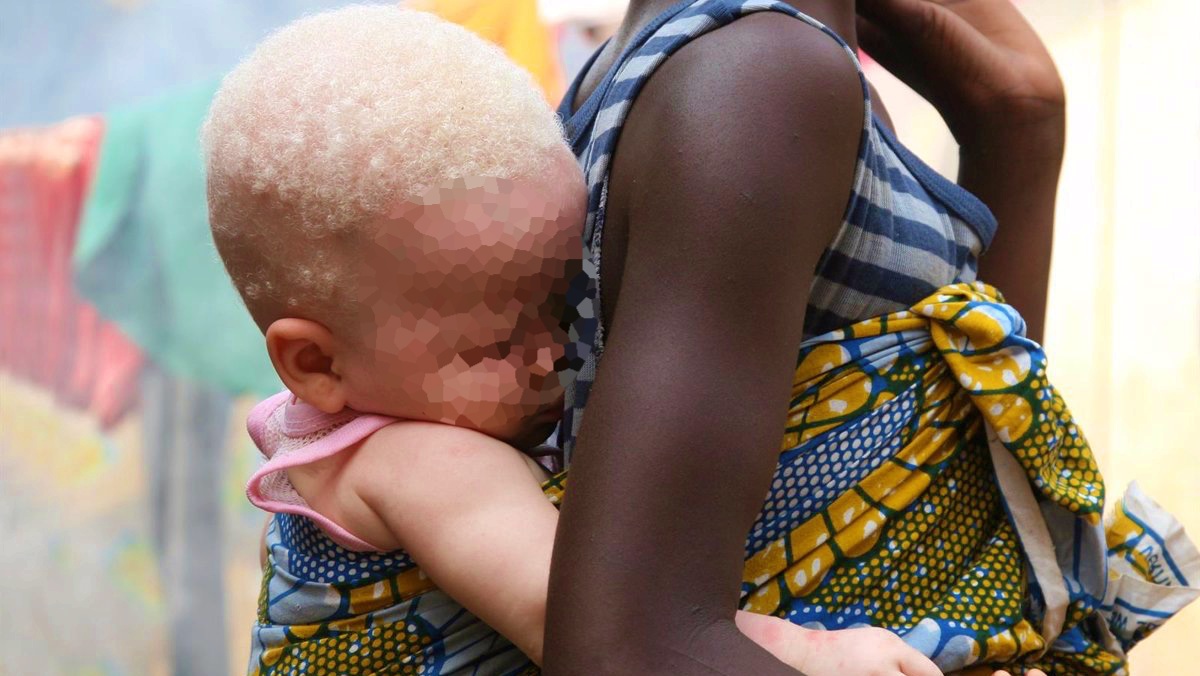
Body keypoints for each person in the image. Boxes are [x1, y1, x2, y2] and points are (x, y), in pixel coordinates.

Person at [204, 6, 947, 674]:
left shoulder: (372, 414)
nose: (551, 358)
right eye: (492, 349)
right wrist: (818, 654)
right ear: (316, 364)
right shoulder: (422, 462)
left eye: (563, 310)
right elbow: (579, 617)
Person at [544, 0, 1196, 675]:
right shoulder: (767, 77)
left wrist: (1018, 128)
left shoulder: (710, 67)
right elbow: (629, 649)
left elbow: (956, 478)